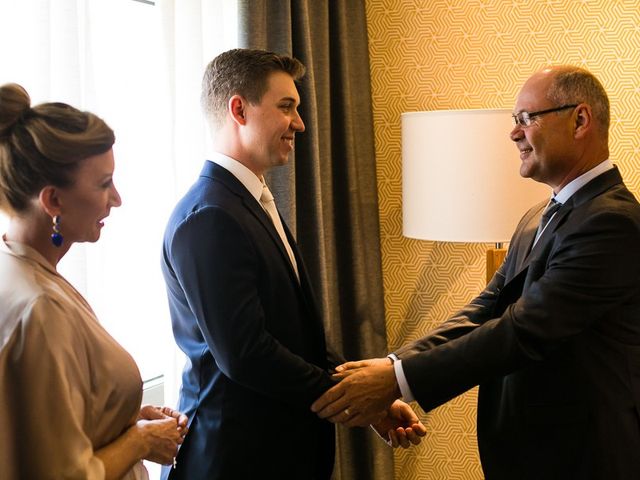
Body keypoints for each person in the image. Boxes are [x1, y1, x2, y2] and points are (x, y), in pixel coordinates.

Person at [311, 65, 640, 479]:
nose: (514, 133)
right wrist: (395, 363)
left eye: (527, 118)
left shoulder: (612, 222)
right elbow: (485, 309)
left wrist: (397, 381)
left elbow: (523, 329)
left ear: (580, 120)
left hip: (584, 455)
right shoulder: (536, 216)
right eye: (513, 121)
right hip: (528, 452)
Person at [160, 48, 425, 480]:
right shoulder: (210, 215)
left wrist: (364, 397)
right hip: (236, 459)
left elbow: (293, 334)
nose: (299, 123)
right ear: (239, 109)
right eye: (287, 107)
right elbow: (246, 353)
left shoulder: (251, 201)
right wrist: (351, 397)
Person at [0, 83, 188, 480]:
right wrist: (139, 440)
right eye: (104, 184)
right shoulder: (41, 307)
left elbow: (35, 423)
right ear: (53, 201)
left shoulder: (17, 268)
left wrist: (119, 418)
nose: (116, 199)